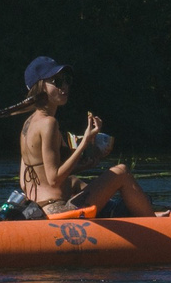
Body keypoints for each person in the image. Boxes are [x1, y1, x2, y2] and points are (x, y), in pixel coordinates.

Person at [15, 56, 154, 218]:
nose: (64, 86)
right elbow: (54, 179)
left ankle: (146, 215)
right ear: (40, 88)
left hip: (39, 209)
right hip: (58, 210)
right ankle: (154, 223)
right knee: (121, 171)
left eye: (66, 80)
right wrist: (85, 141)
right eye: (57, 82)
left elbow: (29, 178)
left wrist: (84, 164)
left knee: (76, 181)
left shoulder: (28, 123)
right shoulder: (48, 123)